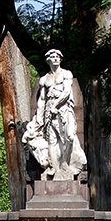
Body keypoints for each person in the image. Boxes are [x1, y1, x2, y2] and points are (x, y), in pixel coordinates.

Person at [22, 49, 87, 180]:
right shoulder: (44, 79)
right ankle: (54, 168)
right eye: (53, 56)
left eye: (58, 56)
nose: (56, 58)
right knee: (51, 141)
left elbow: (67, 92)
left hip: (64, 110)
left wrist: (56, 105)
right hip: (49, 113)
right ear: (48, 60)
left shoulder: (66, 74)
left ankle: (64, 165)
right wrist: (39, 120)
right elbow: (42, 101)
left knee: (69, 137)